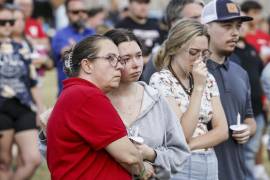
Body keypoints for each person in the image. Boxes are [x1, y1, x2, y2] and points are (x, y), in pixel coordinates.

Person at [46, 34, 153, 180]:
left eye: (119, 60)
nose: (120, 66)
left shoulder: (77, 93)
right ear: (87, 65)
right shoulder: (87, 95)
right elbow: (129, 156)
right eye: (110, 58)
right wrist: (143, 171)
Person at [104, 29, 190, 179]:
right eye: (126, 59)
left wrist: (152, 154)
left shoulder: (155, 99)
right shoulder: (94, 101)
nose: (137, 64)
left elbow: (179, 154)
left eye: (138, 56)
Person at [149, 19, 228, 180]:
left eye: (204, 54)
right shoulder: (161, 80)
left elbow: (222, 131)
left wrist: (189, 145)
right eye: (193, 52)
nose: (199, 60)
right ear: (174, 48)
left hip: (209, 160)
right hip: (181, 163)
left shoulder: (208, 78)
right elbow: (182, 133)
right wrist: (198, 88)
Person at [201, 0, 257, 179]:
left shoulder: (240, 72)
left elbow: (250, 118)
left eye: (238, 26)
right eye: (227, 26)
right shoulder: (191, 71)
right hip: (200, 173)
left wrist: (248, 129)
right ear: (206, 27)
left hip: (237, 172)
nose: (235, 33)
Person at [0, 4, 42, 180]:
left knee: (33, 159)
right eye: (3, 22)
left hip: (24, 107)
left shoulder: (23, 47)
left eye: (11, 21)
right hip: (1, 110)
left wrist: (40, 107)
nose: (8, 26)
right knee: (4, 161)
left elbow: (32, 81)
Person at [140, 0, 205, 83]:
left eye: (203, 17)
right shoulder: (159, 60)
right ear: (174, 23)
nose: (202, 23)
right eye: (195, 18)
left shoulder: (213, 52)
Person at [233, 22, 267, 180]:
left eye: (243, 25)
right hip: (242, 114)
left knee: (251, 152)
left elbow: (261, 76)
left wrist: (265, 98)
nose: (242, 28)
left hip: (258, 110)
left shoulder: (252, 49)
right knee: (244, 154)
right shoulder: (232, 52)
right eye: (238, 25)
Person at [51, 0, 95, 94]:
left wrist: (74, 47)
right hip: (68, 93)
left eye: (83, 11)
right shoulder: (60, 34)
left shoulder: (92, 33)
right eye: (75, 12)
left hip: (91, 90)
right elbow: (64, 53)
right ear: (67, 14)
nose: (80, 14)